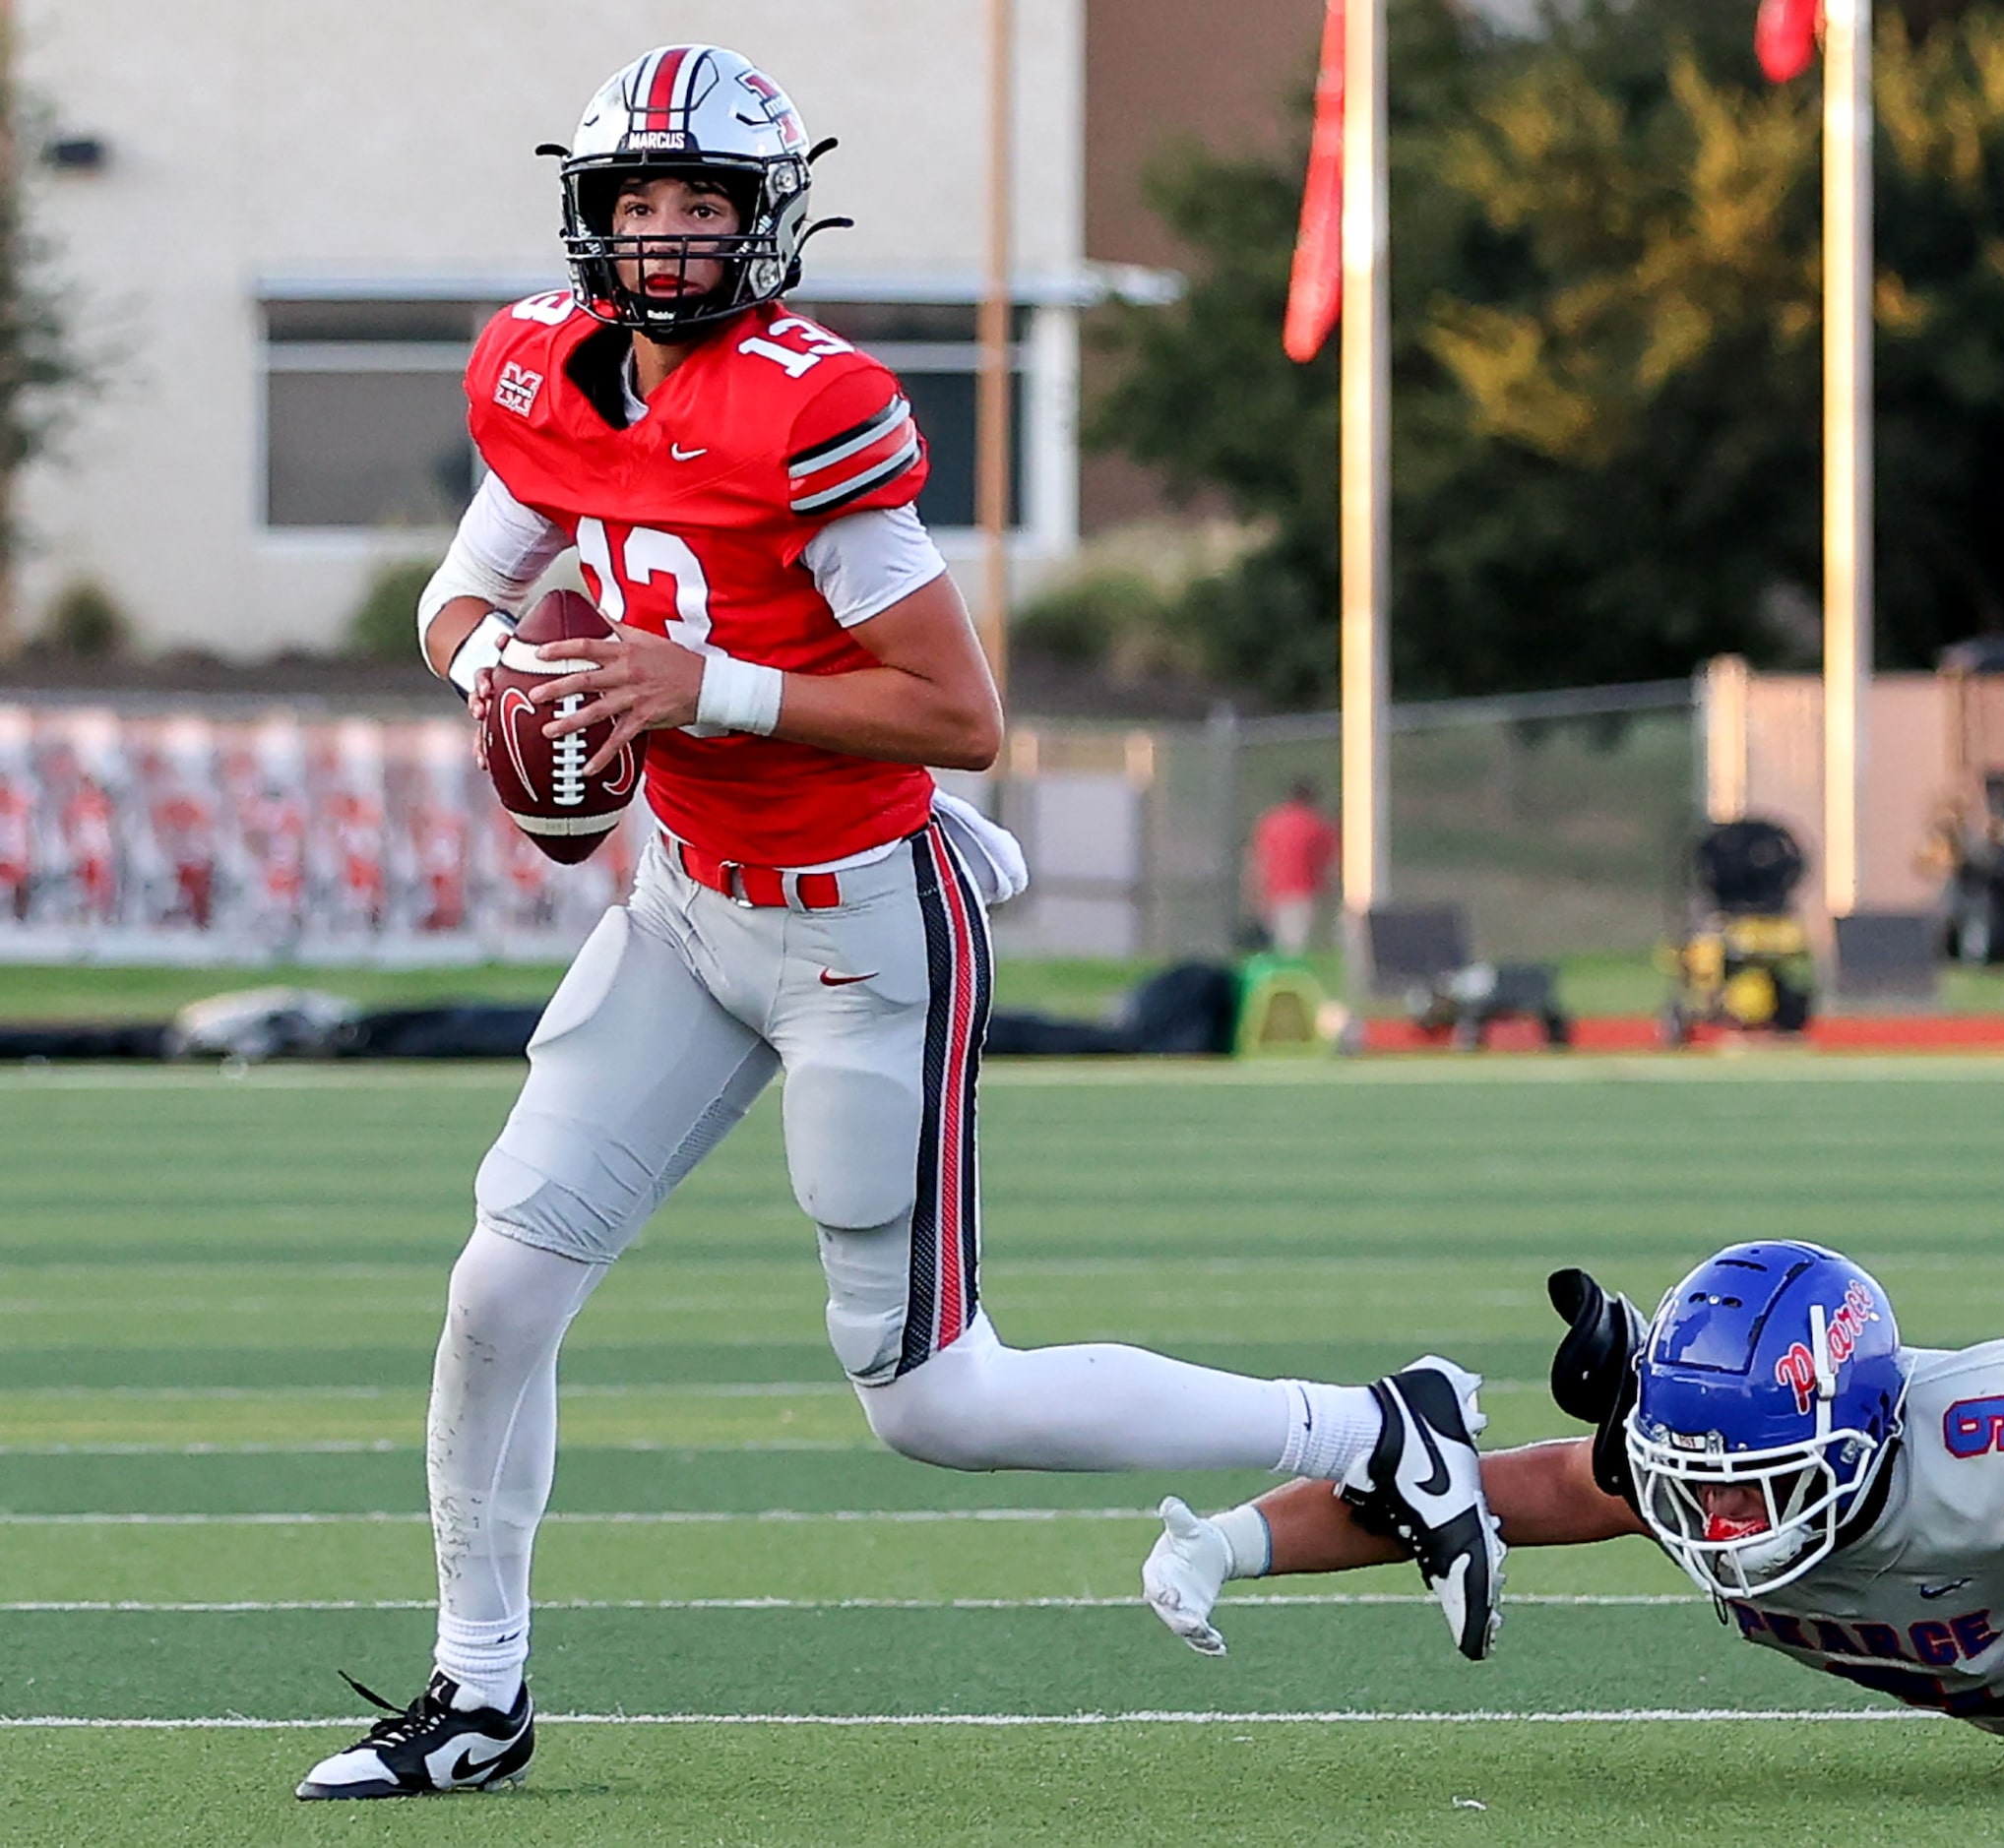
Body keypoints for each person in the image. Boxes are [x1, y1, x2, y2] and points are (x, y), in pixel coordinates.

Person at [295, 44, 1499, 1801]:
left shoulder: (811, 404)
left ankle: (1371, 1427)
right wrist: (515, 679)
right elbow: (460, 591)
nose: (666, 235)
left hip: (862, 928)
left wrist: (694, 681)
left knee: (930, 1399)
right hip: (682, 907)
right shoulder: (545, 373)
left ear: (764, 222)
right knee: (499, 1283)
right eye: (638, 200)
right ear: (590, 213)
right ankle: (479, 1691)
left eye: (701, 202)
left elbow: (957, 714)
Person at [1143, 1240, 2004, 1790]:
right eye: (1697, 1474)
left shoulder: (1994, 1479)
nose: (1719, 1512)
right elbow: (1434, 1494)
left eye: (1759, 1476)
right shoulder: (1686, 1473)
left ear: (1865, 1435)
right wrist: (1235, 1543)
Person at [1246, 779, 1337, 956]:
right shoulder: (1316, 824)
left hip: (1274, 889)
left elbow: (1260, 860)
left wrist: (1256, 891)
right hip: (1303, 889)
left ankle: (1282, 974)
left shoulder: (1272, 822)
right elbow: (1328, 862)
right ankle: (1292, 977)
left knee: (1280, 940)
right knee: (1296, 942)